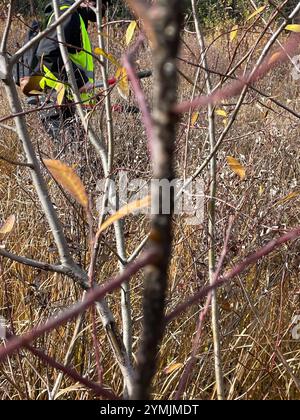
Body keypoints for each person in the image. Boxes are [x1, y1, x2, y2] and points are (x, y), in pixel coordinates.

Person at [34, 0, 111, 138]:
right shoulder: (67, 15)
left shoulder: (76, 15)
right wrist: (79, 82)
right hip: (56, 102)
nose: (103, 10)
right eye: (102, 3)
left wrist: (90, 90)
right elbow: (48, 53)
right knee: (74, 155)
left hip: (67, 100)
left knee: (80, 153)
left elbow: (72, 57)